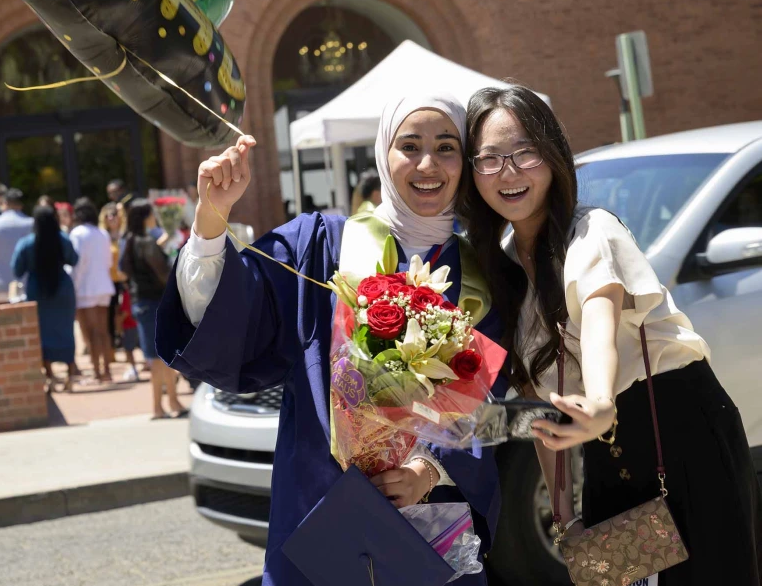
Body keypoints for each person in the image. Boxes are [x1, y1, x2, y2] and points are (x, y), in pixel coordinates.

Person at [156, 94, 506, 586]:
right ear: (383, 153)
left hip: (436, 513)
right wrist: (212, 221)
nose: (428, 163)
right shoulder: (319, 244)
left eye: (447, 147)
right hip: (321, 506)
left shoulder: (485, 271)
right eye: (410, 145)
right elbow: (228, 314)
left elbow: (496, 402)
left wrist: (428, 469)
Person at [460, 86, 762, 586]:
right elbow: (539, 415)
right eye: (490, 158)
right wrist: (563, 518)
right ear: (472, 172)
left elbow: (600, 314)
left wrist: (601, 400)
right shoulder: (496, 272)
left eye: (525, 151)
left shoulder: (593, 230)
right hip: (606, 453)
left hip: (683, 436)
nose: (509, 172)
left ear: (554, 155)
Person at [119, 200, 185, 418]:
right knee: (158, 358)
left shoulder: (129, 240)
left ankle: (172, 402)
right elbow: (163, 272)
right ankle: (159, 406)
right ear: (145, 217)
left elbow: (123, 270)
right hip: (153, 302)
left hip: (142, 302)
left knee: (160, 356)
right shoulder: (145, 242)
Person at [12, 205, 80, 393]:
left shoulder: (27, 243)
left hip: (37, 291)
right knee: (66, 331)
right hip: (62, 290)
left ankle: (49, 376)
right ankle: (71, 374)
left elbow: (17, 269)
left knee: (42, 334)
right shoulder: (63, 239)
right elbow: (74, 260)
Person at [70, 199, 116, 384]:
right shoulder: (102, 233)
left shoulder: (77, 234)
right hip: (103, 286)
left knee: (90, 333)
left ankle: (98, 372)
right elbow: (108, 262)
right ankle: (106, 370)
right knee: (103, 331)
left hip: (84, 288)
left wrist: (73, 287)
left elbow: (77, 265)